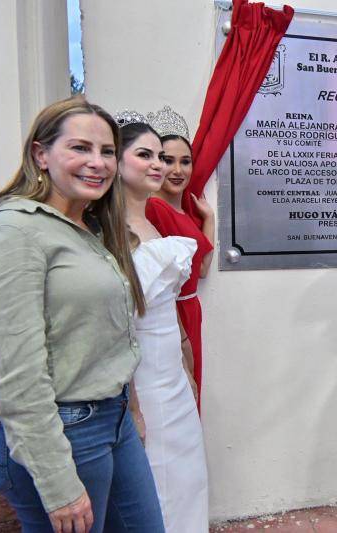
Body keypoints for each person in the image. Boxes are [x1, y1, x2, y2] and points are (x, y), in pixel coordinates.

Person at [0, 96, 164, 533]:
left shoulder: (87, 227)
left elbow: (108, 334)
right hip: (65, 432)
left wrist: (131, 408)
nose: (98, 163)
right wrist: (56, 483)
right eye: (80, 148)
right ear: (41, 154)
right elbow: (18, 377)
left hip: (114, 420)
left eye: (107, 151)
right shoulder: (16, 231)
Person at [115, 115, 209, 532]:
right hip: (143, 375)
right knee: (156, 479)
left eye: (160, 156)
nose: (158, 164)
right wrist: (131, 403)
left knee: (187, 475)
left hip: (171, 371)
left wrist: (185, 366)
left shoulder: (153, 222)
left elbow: (169, 303)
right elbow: (118, 322)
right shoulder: (109, 229)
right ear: (116, 161)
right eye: (145, 155)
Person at [144, 107, 215, 407]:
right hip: (174, 315)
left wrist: (208, 219)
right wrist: (182, 339)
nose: (177, 170)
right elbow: (161, 283)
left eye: (185, 162)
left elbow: (202, 269)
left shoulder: (183, 209)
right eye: (167, 160)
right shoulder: (154, 209)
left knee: (193, 392)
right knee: (181, 394)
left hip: (191, 310)